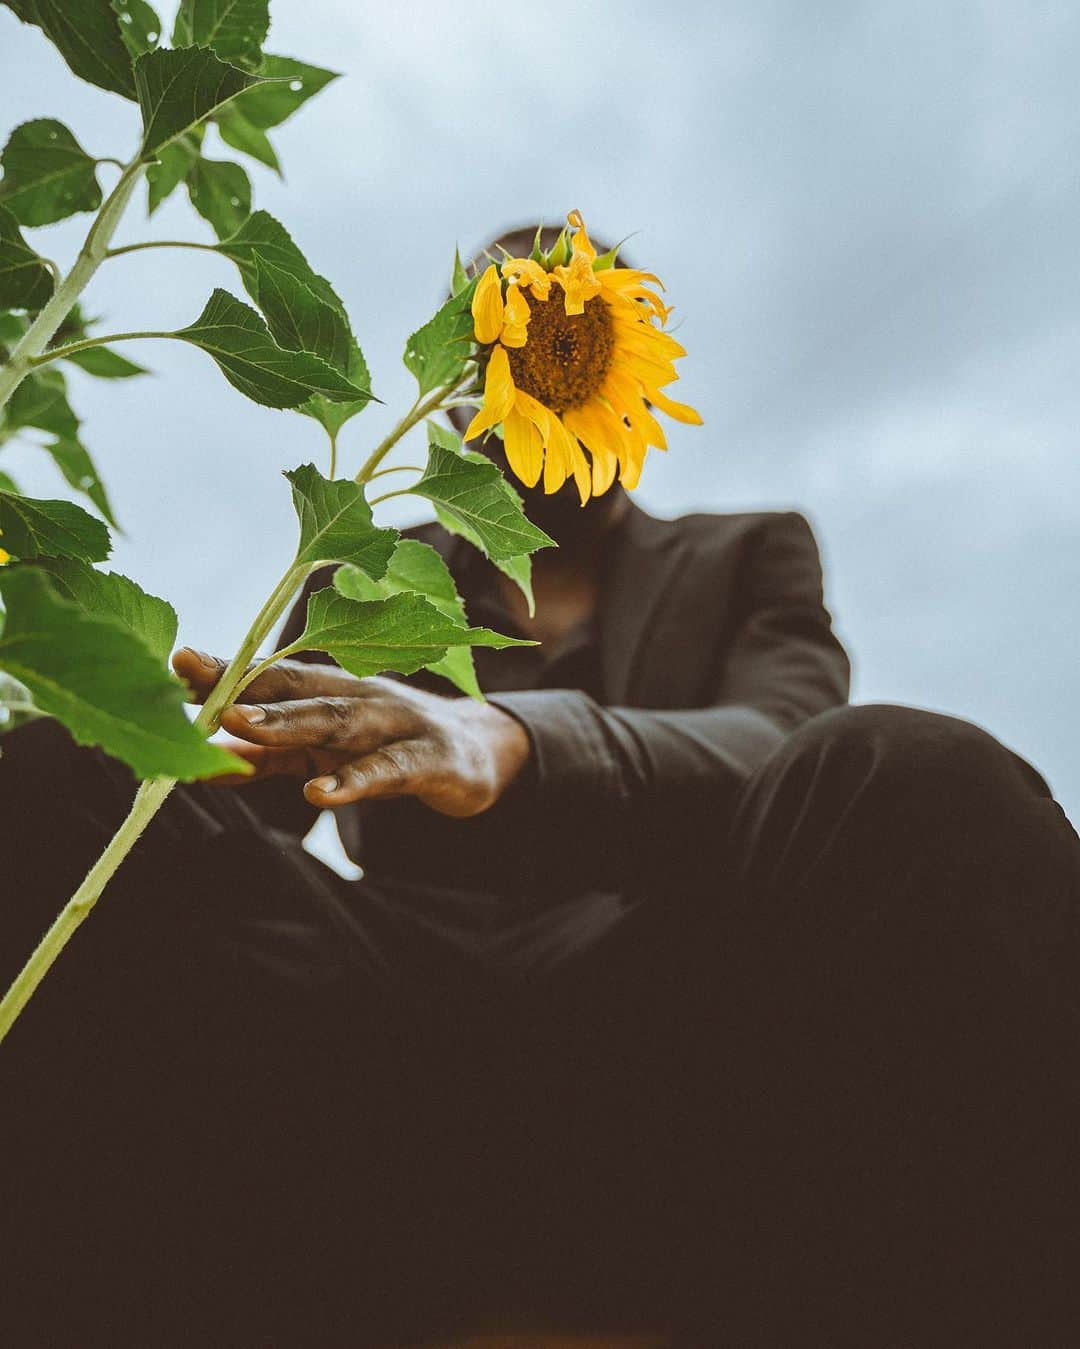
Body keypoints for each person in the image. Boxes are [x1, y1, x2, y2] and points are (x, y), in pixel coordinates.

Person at [2, 227, 1079, 1349]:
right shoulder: (367, 566)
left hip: (679, 1013)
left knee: (911, 772)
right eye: (511, 340)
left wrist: (508, 738)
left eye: (574, 342)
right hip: (381, 1009)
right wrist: (172, 743)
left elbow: (780, 731)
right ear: (463, 387)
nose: (540, 364)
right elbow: (240, 795)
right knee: (61, 782)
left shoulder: (747, 551)